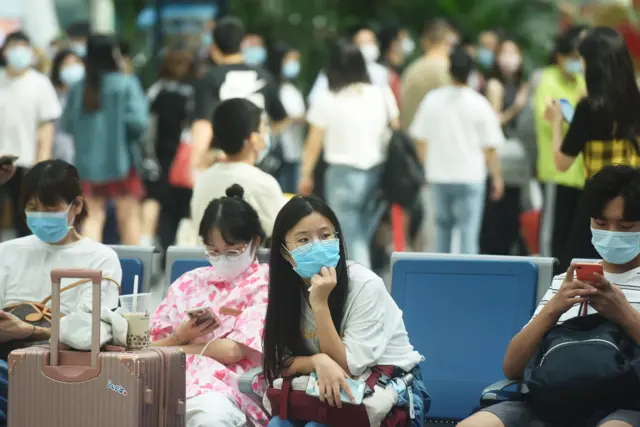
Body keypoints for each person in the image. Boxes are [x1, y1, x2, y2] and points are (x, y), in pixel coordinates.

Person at [459, 164, 640, 427]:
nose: (612, 234)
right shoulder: (565, 283)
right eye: (601, 224)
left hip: (624, 405)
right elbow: (511, 368)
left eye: (625, 226)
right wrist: (553, 309)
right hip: (549, 402)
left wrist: (624, 315)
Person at [262, 195, 428, 427]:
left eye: (325, 235)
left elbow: (348, 366)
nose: (317, 245)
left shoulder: (364, 285)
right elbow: (278, 360)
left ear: (338, 238)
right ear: (284, 252)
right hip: (322, 391)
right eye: (303, 240)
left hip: (386, 394)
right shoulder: (286, 290)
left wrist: (320, 304)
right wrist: (317, 361)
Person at [151, 184, 270, 426]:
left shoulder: (266, 285)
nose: (222, 259)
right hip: (166, 380)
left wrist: (176, 350)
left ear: (255, 242)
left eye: (233, 252)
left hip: (228, 389)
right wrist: (179, 337)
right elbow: (150, 344)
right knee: (117, 398)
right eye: (213, 251)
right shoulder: (189, 282)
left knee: (208, 417)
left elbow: (232, 351)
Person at [0, 160, 121, 355]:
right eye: (32, 208)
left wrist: (29, 331)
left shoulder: (100, 259)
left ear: (77, 205)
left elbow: (89, 333)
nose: (40, 216)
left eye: (50, 209)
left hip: (59, 362)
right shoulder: (6, 252)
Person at [299, 39, 399, 268]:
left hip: (342, 175)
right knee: (363, 234)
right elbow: (395, 126)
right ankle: (366, 282)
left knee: (351, 238)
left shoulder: (327, 98)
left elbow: (314, 141)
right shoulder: (381, 94)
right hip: (377, 173)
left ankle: (360, 288)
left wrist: (305, 174)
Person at [550, 27, 640, 271]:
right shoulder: (636, 99)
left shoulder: (589, 108)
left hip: (597, 200)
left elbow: (562, 162)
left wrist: (557, 121)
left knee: (584, 266)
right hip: (634, 198)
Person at [409, 46, 504, 254]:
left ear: (449, 71)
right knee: (468, 234)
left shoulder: (432, 100)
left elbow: (420, 138)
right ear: (471, 73)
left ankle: (443, 277)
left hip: (439, 176)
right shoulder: (479, 103)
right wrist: (497, 177)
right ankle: (469, 280)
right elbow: (490, 146)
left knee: (442, 233)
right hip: (471, 176)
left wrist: (426, 164)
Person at [61, 34, 148, 245]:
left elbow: (67, 124)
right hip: (123, 163)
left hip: (86, 165)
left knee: (91, 219)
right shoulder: (126, 84)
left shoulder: (79, 88)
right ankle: (137, 272)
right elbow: (139, 123)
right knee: (128, 218)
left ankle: (93, 273)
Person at [191, 16, 288, 175]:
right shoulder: (264, 75)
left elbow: (203, 124)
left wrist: (196, 163)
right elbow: (282, 119)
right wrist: (263, 139)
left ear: (214, 47)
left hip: (221, 162)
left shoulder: (210, 79)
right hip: (258, 162)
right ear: (242, 43)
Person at [191, 98, 287, 240]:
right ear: (253, 139)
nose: (266, 134)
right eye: (263, 128)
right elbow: (282, 233)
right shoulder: (262, 183)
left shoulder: (203, 180)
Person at [0, 31, 61, 237]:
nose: (18, 52)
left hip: (27, 162)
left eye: (23, 46)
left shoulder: (40, 83)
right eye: (13, 46)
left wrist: (41, 161)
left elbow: (47, 125)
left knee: (25, 219)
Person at [535, 25, 588, 263]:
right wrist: (578, 111)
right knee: (553, 235)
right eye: (573, 58)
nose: (577, 63)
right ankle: (549, 281)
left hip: (578, 173)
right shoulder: (548, 79)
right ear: (560, 56)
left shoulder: (580, 81)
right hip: (556, 172)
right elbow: (551, 116)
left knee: (570, 237)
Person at [142, 50, 195, 250]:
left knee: (161, 204)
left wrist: (148, 157)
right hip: (186, 159)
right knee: (185, 206)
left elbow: (147, 128)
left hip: (161, 157)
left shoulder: (156, 91)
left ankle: (157, 246)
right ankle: (182, 248)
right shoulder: (192, 92)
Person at [481, 38, 530, 255]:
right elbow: (493, 122)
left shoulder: (521, 85)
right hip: (499, 157)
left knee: (513, 214)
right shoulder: (494, 85)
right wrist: (517, 107)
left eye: (514, 52)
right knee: (496, 214)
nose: (510, 58)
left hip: (518, 161)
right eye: (504, 52)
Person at [307, 25, 391, 104]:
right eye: (363, 43)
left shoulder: (382, 72)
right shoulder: (335, 69)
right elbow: (315, 98)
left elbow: (387, 101)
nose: (368, 46)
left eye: (370, 42)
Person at [400, 19, 454, 130]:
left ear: (424, 42)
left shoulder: (411, 70)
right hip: (439, 139)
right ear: (448, 41)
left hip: (410, 138)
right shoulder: (449, 70)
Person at [266, 42, 306, 193]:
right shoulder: (271, 88)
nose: (294, 64)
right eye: (290, 60)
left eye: (296, 60)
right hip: (277, 154)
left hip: (295, 151)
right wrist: (290, 119)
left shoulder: (293, 88)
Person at [50, 48, 85, 164]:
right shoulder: (52, 97)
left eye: (76, 63)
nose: (73, 68)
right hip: (58, 158)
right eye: (67, 64)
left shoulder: (90, 97)